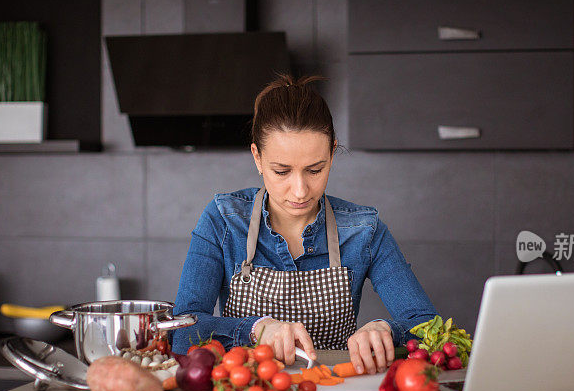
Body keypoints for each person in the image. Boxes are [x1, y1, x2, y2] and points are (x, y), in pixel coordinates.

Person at [171, 74, 438, 374]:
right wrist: (256, 330)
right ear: (257, 158)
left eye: (314, 170)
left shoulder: (364, 230)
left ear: (332, 154)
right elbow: (182, 332)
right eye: (281, 171)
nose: (300, 191)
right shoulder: (223, 220)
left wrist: (386, 330)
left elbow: (429, 328)